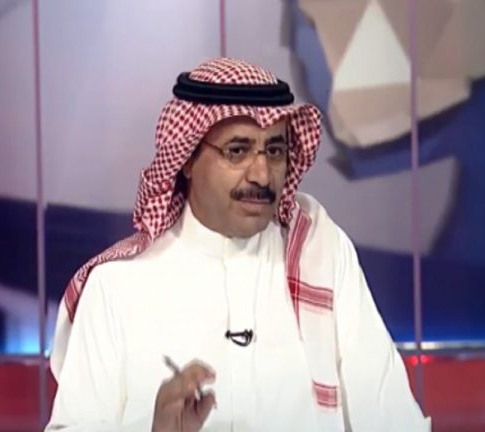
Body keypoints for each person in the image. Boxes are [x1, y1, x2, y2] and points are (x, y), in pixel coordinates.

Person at [46, 58, 430, 431]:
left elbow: (392, 417)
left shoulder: (321, 255)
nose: (261, 175)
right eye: (237, 151)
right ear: (187, 159)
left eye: (274, 151)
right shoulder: (116, 286)